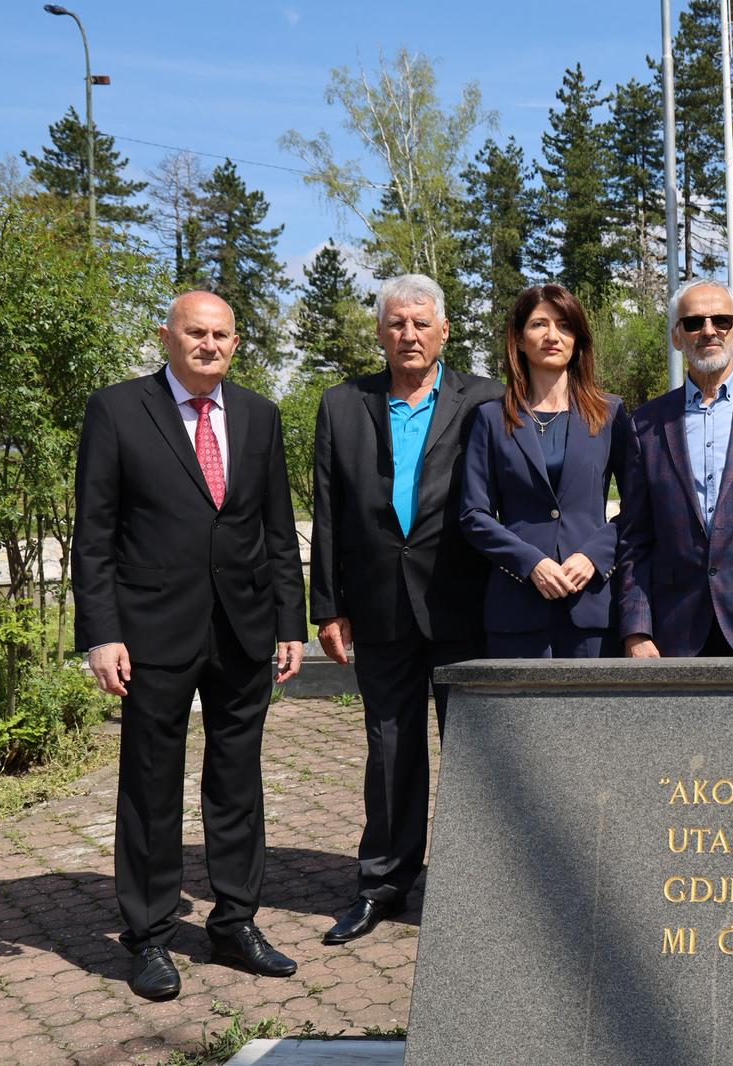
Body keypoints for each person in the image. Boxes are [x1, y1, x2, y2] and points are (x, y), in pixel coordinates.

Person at [73, 291, 306, 1000]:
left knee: (237, 783)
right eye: (195, 332)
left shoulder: (260, 416)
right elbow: (95, 533)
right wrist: (102, 632)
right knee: (150, 785)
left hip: (242, 631)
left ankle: (234, 922)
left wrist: (290, 623)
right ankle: (148, 935)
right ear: (166, 337)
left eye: (221, 335)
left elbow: (275, 527)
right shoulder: (116, 410)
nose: (209, 344)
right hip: (151, 633)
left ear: (236, 344)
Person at [309, 274, 504, 945]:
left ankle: (480, 883)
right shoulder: (342, 404)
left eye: (421, 323)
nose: (409, 335)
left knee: (475, 751)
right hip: (378, 604)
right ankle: (384, 884)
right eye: (396, 323)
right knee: (389, 749)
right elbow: (328, 512)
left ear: (445, 330)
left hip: (465, 602)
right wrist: (328, 608)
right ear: (380, 332)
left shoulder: (485, 399)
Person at [459, 284, 631, 657]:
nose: (553, 336)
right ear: (519, 339)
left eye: (564, 325)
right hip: (517, 608)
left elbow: (639, 507)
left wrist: (594, 555)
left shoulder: (610, 414)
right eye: (539, 324)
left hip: (591, 608)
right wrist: (530, 562)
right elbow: (474, 514)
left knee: (594, 717)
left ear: (577, 339)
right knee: (521, 717)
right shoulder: (490, 419)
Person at [617, 279, 733, 657]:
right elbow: (635, 538)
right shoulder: (646, 423)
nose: (709, 330)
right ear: (677, 337)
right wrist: (636, 629)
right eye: (693, 323)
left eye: (722, 320)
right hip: (673, 634)